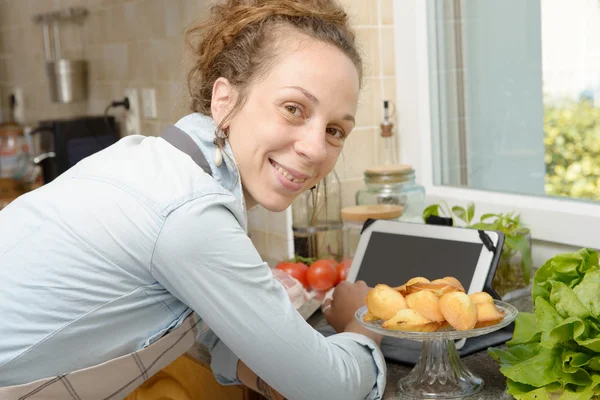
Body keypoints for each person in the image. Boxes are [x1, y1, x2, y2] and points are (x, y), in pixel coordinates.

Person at [0, 1, 386, 399]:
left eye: (336, 130)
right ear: (224, 101)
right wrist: (364, 328)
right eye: (293, 109)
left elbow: (202, 329)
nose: (316, 149)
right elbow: (330, 391)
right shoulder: (187, 212)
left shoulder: (154, 162)